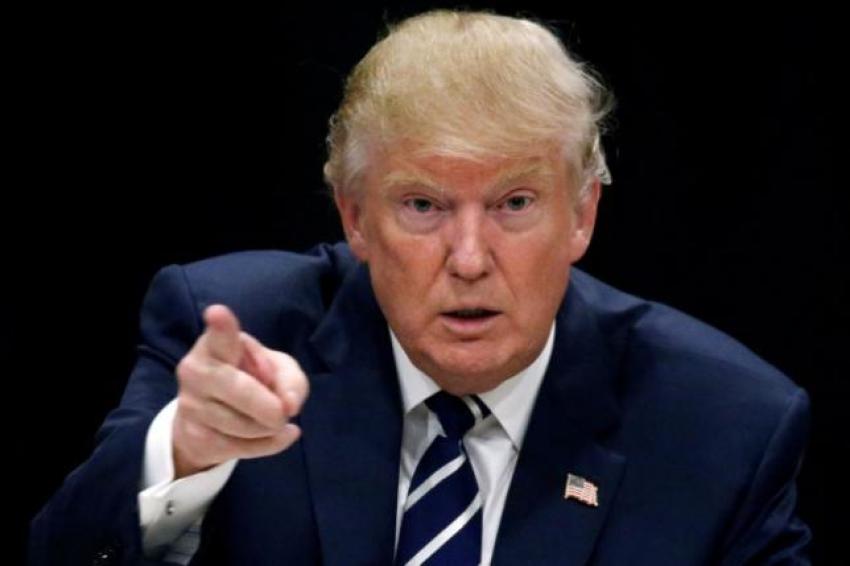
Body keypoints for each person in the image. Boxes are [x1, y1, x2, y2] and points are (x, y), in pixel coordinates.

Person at [30, 9, 811, 565]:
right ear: (356, 218)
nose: (468, 258)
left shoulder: (723, 426)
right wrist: (186, 453)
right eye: (423, 205)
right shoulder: (238, 338)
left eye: (514, 204)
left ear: (581, 215)